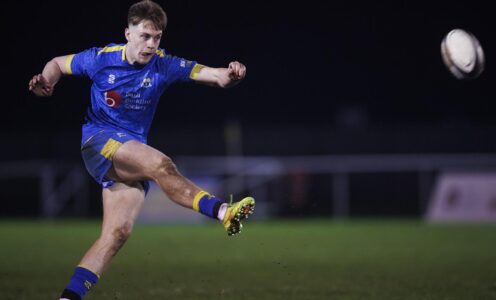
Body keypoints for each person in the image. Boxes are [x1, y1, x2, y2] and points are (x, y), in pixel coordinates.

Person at [28, 1, 255, 299]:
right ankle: (222, 211)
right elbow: (57, 63)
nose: (150, 44)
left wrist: (231, 73)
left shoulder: (164, 64)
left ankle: (68, 297)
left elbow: (212, 75)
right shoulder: (101, 58)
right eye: (144, 36)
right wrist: (47, 81)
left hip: (129, 153)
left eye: (157, 37)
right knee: (161, 165)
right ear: (128, 33)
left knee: (116, 234)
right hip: (99, 141)